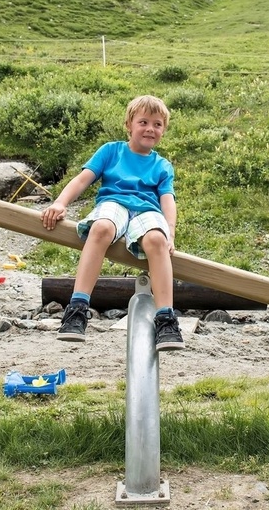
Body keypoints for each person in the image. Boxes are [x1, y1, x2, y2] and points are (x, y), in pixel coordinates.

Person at [40, 95, 183, 351]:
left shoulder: (162, 165)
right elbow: (83, 179)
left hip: (145, 210)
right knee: (102, 227)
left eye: (158, 124)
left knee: (157, 240)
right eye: (143, 122)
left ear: (164, 130)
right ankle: (77, 309)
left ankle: (165, 319)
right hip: (114, 204)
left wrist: (170, 231)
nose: (150, 128)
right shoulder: (111, 151)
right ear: (129, 124)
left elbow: (167, 199)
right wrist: (60, 203)